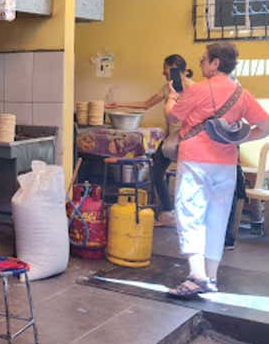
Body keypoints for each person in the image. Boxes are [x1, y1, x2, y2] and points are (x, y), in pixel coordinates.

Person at [164, 42, 269, 298]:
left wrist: (172, 96)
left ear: (215, 63)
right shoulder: (241, 94)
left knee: (190, 214)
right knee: (217, 218)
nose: (200, 64)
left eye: (203, 60)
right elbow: (265, 127)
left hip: (195, 161)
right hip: (226, 165)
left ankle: (196, 275)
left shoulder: (198, 90)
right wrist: (235, 140)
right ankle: (211, 277)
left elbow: (172, 118)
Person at [108, 54, 195, 227]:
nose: (164, 74)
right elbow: (145, 104)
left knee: (189, 178)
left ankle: (187, 218)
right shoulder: (167, 88)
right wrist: (119, 104)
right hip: (172, 138)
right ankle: (168, 213)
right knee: (156, 170)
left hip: (190, 139)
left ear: (178, 70)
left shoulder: (195, 89)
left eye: (167, 70)